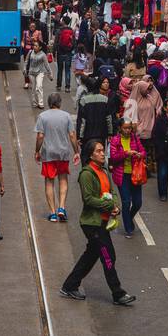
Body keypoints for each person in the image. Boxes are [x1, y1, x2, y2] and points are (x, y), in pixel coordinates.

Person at [58, 140, 136, 306]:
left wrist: (115, 205)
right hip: (92, 223)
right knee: (108, 256)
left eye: (103, 150)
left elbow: (112, 192)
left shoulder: (104, 171)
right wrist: (109, 205)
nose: (103, 153)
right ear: (91, 155)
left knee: (91, 255)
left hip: (103, 221)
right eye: (99, 151)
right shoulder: (86, 174)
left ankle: (69, 285)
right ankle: (118, 293)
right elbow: (88, 199)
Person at [35, 93, 79, 223]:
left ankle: (52, 213)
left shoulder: (42, 116)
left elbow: (40, 136)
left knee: (49, 181)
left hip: (48, 153)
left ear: (49, 103)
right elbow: (72, 135)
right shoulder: (66, 116)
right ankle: (62, 208)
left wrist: (37, 151)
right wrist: (76, 151)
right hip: (63, 153)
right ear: (59, 103)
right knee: (63, 179)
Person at [108, 120, 146, 239]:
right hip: (122, 175)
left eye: (129, 128)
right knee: (126, 202)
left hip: (135, 175)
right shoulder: (115, 140)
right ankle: (129, 228)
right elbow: (113, 157)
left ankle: (128, 217)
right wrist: (126, 153)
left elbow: (143, 151)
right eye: (125, 128)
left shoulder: (135, 138)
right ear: (120, 128)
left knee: (138, 202)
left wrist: (140, 155)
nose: (127, 130)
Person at [76, 76, 114, 165]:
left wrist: (79, 136)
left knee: (87, 158)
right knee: (100, 157)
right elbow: (109, 119)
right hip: (101, 135)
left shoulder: (84, 100)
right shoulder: (105, 99)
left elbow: (82, 121)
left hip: (87, 137)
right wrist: (110, 133)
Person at [25, 39, 52, 109]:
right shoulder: (30, 52)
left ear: (40, 47)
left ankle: (40, 103)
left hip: (40, 72)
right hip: (31, 73)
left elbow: (47, 65)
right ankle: (34, 102)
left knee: (39, 86)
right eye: (34, 45)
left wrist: (50, 73)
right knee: (33, 88)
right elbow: (26, 61)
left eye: (36, 46)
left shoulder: (43, 55)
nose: (34, 47)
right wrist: (25, 69)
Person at [55, 18, 76, 92]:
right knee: (67, 70)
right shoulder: (71, 31)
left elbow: (56, 41)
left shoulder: (59, 30)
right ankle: (67, 87)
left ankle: (59, 86)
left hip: (60, 52)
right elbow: (74, 42)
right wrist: (71, 49)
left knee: (60, 69)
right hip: (68, 53)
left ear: (63, 21)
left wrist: (55, 51)